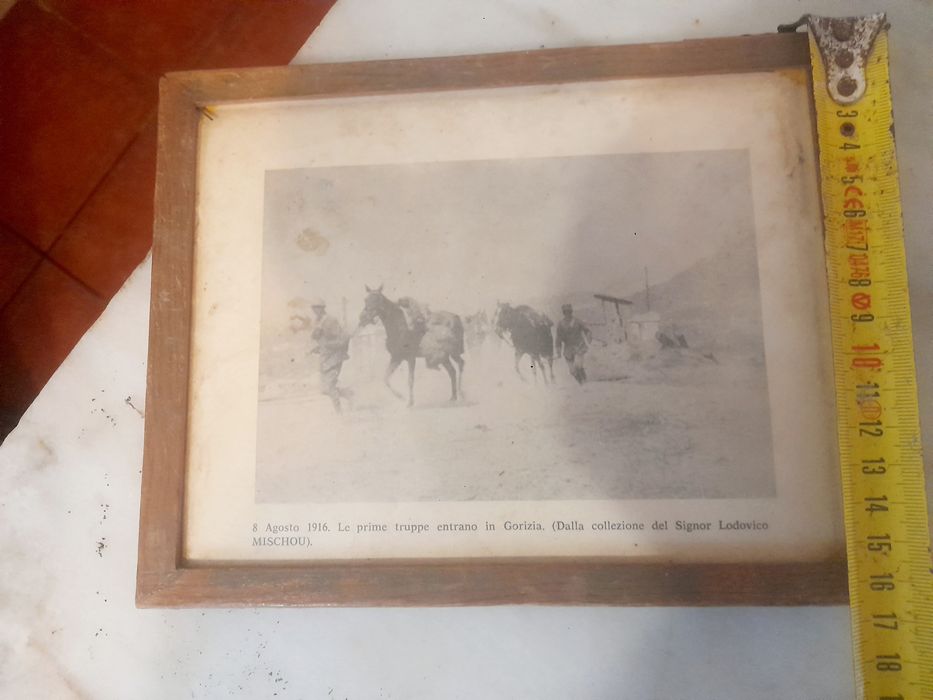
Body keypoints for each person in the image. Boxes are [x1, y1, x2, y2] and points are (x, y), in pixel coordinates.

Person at [309, 298, 350, 413]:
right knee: (324, 389)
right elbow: (322, 340)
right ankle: (349, 394)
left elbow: (343, 338)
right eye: (313, 308)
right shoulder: (317, 321)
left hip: (335, 358)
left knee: (330, 386)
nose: (315, 310)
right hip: (324, 358)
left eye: (317, 307)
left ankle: (340, 414)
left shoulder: (330, 320)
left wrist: (329, 346)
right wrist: (318, 348)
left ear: (322, 308)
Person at [555, 303, 592, 384]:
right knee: (572, 371)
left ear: (571, 312)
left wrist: (588, 337)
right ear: (564, 313)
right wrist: (558, 350)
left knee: (578, 366)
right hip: (568, 348)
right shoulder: (560, 324)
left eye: (569, 312)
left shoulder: (577, 321)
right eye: (566, 312)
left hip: (579, 346)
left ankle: (585, 381)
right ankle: (581, 382)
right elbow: (558, 339)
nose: (568, 314)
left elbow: (587, 330)